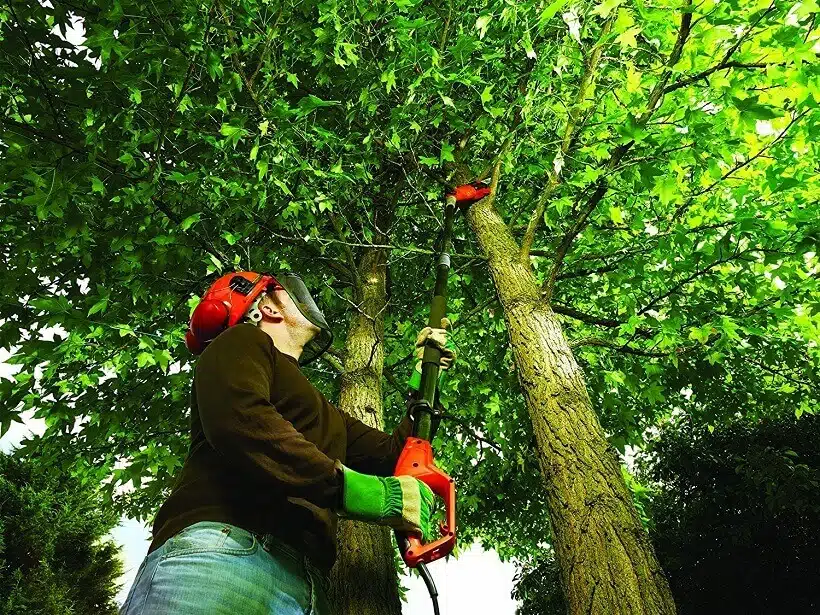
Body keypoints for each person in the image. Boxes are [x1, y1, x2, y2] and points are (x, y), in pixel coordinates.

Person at [119, 271, 456, 615]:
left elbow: (396, 457)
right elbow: (242, 421)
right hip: (222, 552)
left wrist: (427, 378)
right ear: (267, 308)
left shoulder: (327, 414)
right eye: (284, 291)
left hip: (306, 583)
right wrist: (351, 490)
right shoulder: (239, 343)